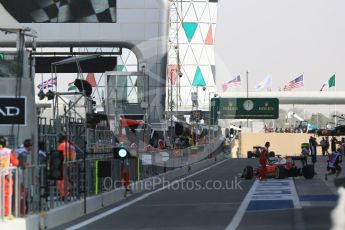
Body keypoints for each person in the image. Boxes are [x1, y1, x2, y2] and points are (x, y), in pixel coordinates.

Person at [0, 136, 19, 218]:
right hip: (5, 176)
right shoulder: (8, 152)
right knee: (6, 195)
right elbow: (16, 162)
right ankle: (5, 214)